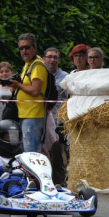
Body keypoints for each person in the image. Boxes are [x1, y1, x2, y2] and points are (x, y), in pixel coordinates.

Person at [9, 33, 48, 153]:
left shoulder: (37, 65)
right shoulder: (28, 64)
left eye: (27, 47)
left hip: (33, 115)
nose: (24, 51)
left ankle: (31, 173)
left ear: (35, 48)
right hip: (25, 114)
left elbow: (36, 90)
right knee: (25, 151)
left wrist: (18, 85)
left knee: (30, 152)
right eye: (21, 48)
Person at [43, 47, 70, 186]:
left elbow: (69, 99)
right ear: (44, 59)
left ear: (59, 60)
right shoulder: (40, 74)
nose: (52, 60)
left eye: (55, 57)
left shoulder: (65, 77)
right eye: (49, 56)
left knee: (56, 155)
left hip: (58, 121)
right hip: (40, 120)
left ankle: (59, 183)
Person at [0, 119, 28, 196]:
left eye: (14, 137)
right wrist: (1, 169)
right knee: (13, 185)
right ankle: (19, 195)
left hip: (24, 182)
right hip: (4, 183)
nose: (12, 140)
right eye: (8, 137)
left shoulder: (23, 156)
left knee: (36, 184)